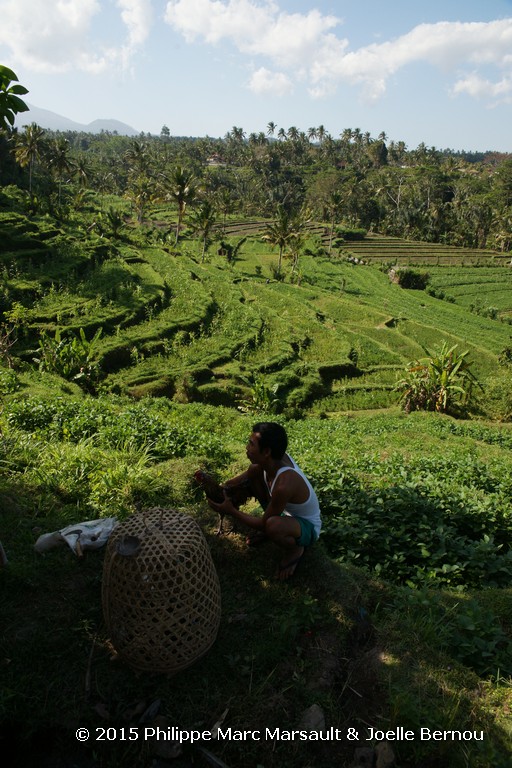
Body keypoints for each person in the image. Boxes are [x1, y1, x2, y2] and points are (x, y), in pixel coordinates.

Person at [207, 422, 321, 580]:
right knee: (253, 471)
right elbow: (237, 481)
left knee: (272, 526)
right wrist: (222, 489)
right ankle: (273, 521)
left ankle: (295, 550)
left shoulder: (284, 484)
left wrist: (231, 511)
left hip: (307, 525)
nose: (246, 447)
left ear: (266, 451)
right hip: (283, 511)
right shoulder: (271, 461)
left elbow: (264, 524)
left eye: (251, 444)